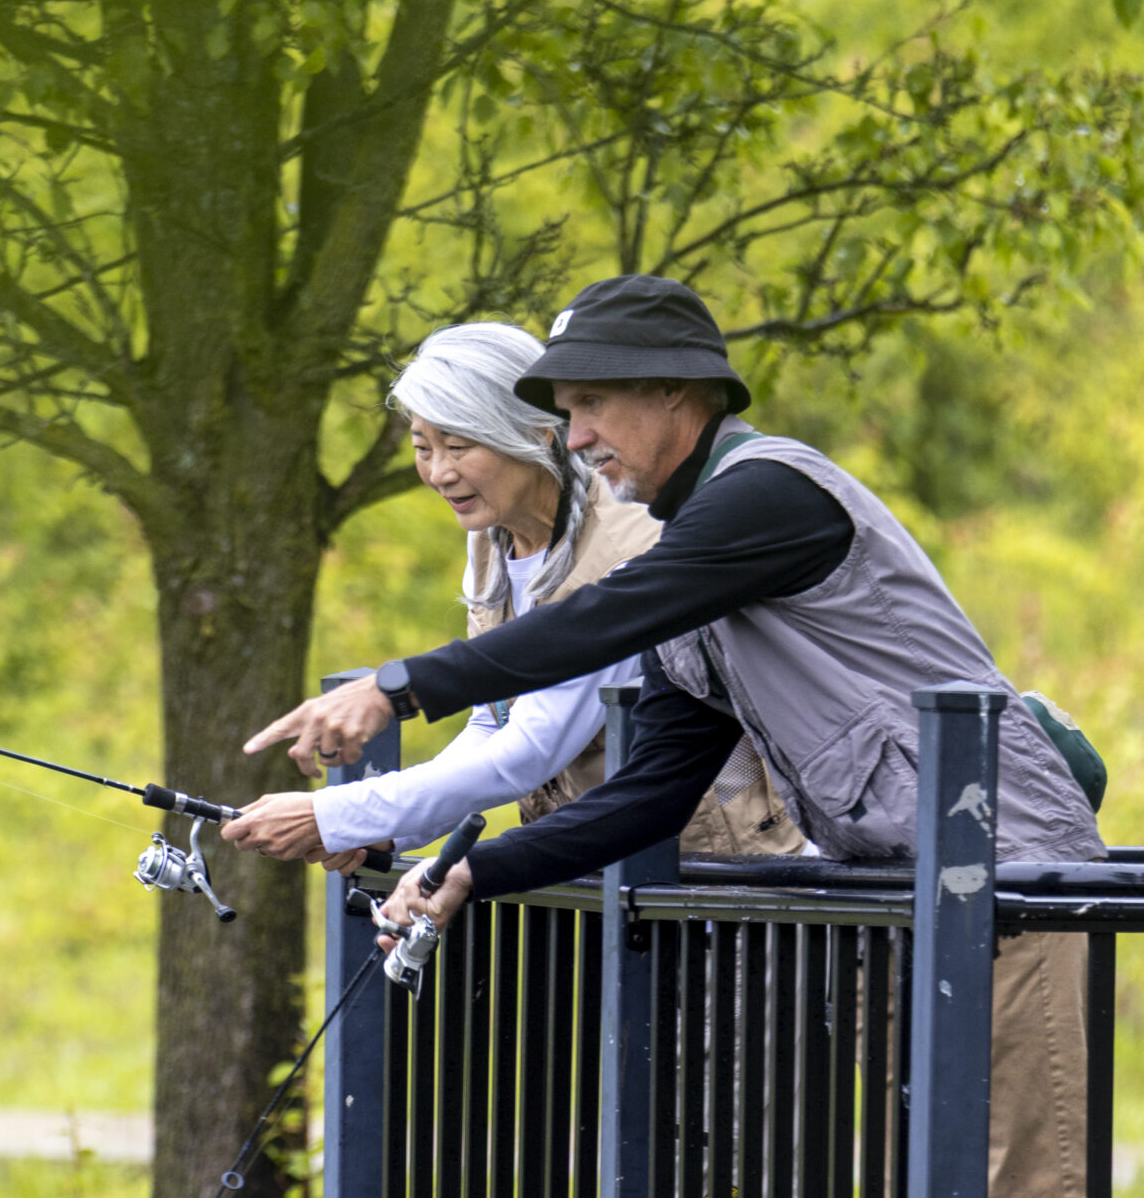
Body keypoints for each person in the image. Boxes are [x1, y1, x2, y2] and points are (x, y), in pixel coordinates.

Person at [243, 274, 1119, 1198]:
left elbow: (597, 618)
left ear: (677, 393)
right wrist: (476, 872)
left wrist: (403, 685)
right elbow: (647, 794)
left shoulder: (767, 498)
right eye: (564, 414)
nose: (577, 437)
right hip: (910, 907)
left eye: (591, 408)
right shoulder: (693, 574)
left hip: (1010, 891)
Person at [220, 321, 798, 870]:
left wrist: (335, 814)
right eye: (423, 448)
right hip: (597, 871)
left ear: (535, 434)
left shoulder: (629, 544)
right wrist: (387, 830)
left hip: (722, 870)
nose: (439, 472)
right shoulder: (494, 540)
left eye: (459, 446)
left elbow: (530, 749)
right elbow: (494, 723)